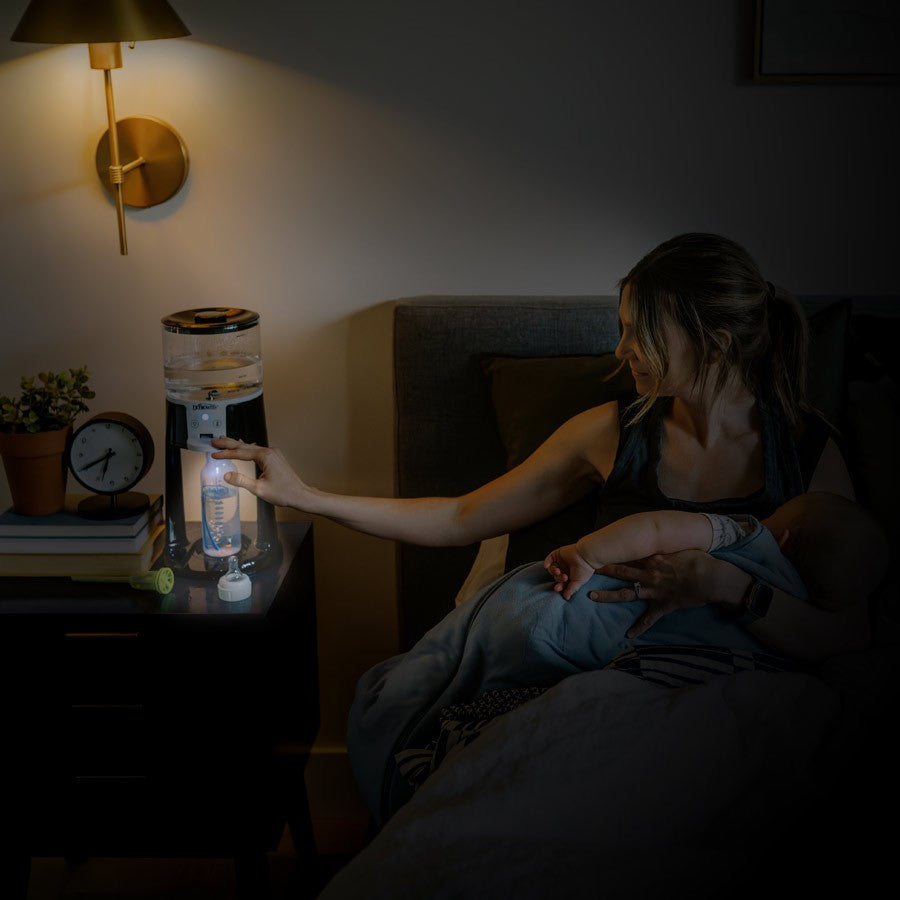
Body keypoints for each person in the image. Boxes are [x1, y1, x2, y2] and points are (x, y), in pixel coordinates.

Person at [211, 232, 869, 660]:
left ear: (717, 342)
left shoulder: (809, 454)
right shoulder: (613, 434)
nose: (620, 352)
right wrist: (303, 494)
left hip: (751, 694)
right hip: (613, 677)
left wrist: (734, 588)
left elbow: (854, 644)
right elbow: (460, 518)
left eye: (640, 335)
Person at [544, 490, 889, 620]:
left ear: (784, 539)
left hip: (597, 611)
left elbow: (655, 529)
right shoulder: (795, 607)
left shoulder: (744, 533)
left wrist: (586, 554)